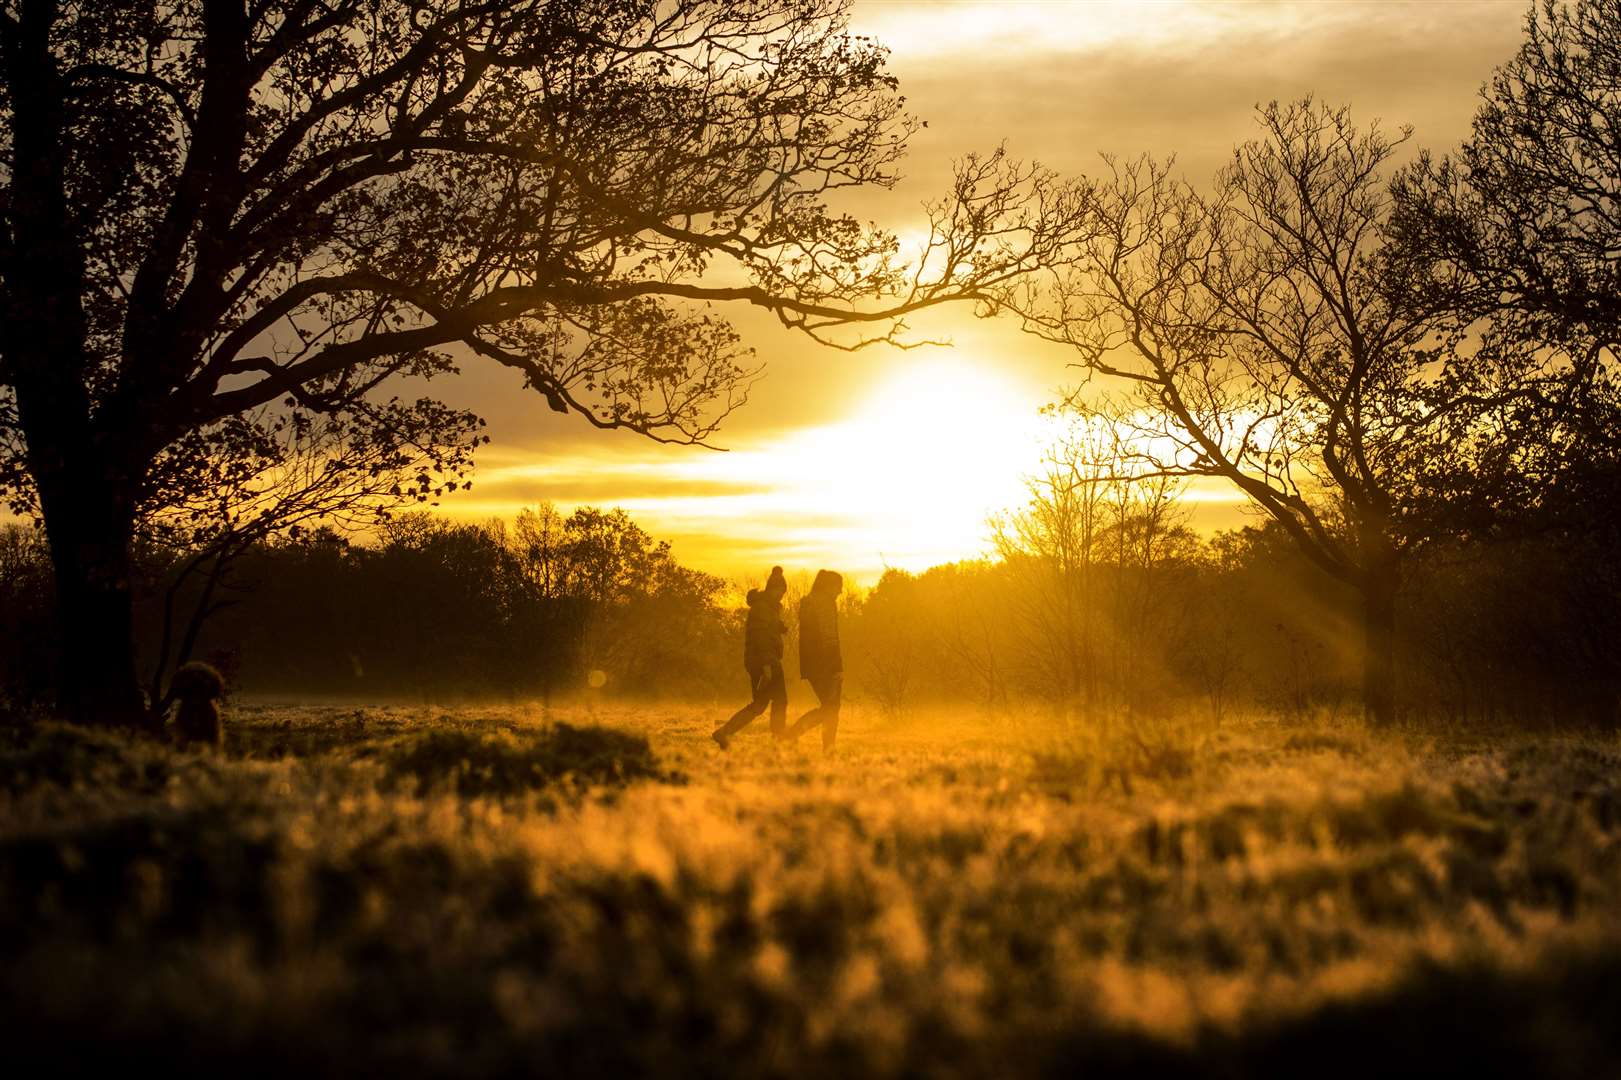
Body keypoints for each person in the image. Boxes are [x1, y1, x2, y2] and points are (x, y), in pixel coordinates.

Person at [713, 566, 789, 748]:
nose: (781, 595)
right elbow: (760, 637)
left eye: (783, 592)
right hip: (765, 661)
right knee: (774, 702)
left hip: (764, 660)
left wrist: (780, 627)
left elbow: (767, 628)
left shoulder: (767, 608)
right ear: (771, 589)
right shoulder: (762, 608)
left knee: (763, 704)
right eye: (779, 591)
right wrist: (766, 666)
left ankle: (724, 733)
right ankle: (777, 740)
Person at [787, 569, 843, 753]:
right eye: (838, 587)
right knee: (831, 707)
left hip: (811, 665)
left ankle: (797, 735)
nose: (840, 591)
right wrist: (837, 666)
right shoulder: (826, 604)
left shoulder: (809, 603)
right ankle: (823, 746)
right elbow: (830, 638)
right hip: (827, 665)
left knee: (829, 707)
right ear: (829, 586)